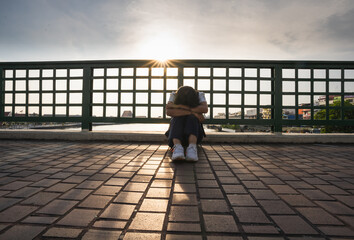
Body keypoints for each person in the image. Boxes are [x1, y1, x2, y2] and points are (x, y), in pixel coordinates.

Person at [165, 86, 208, 162]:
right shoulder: (174, 94)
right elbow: (168, 111)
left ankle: (192, 147)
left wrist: (180, 109)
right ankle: (177, 147)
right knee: (177, 117)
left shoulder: (199, 94)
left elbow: (204, 108)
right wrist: (192, 112)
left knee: (191, 118)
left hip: (196, 136)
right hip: (174, 137)